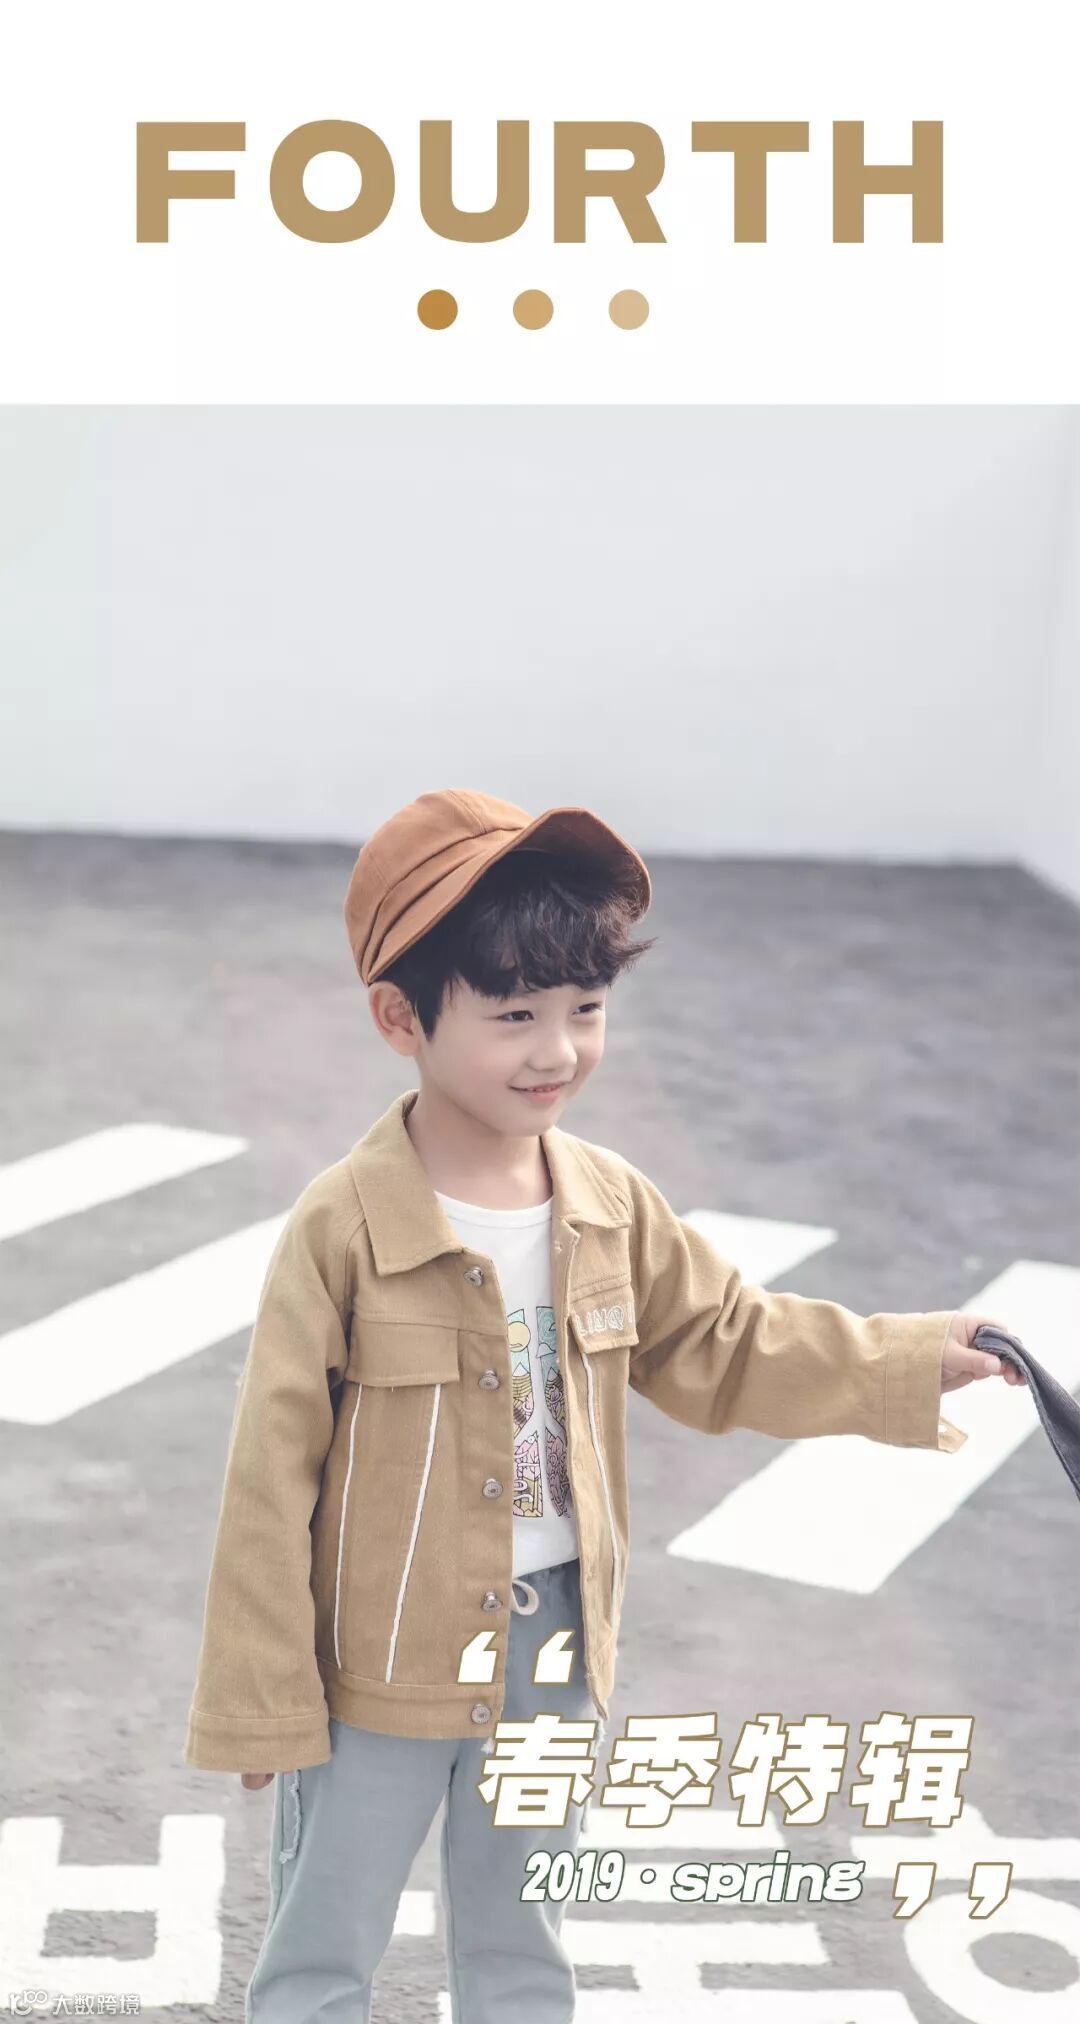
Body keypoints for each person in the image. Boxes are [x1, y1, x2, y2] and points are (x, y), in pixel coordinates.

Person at [183, 786, 1027, 2023]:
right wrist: (263, 1695)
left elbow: (729, 1339)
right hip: (377, 1660)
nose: (557, 1051)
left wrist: (909, 1354)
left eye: (584, 1008)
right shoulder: (344, 1224)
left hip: (556, 1646)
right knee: (324, 1944)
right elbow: (272, 1468)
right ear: (400, 1016)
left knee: (525, 1940)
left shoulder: (609, 1203)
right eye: (514, 1014)